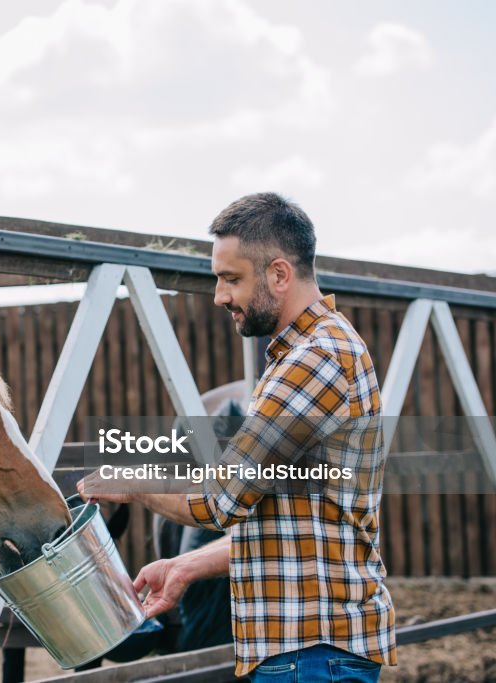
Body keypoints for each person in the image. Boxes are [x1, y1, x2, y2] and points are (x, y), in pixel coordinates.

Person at [80, 193, 395, 682]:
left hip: (309, 656)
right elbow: (293, 524)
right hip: (308, 652)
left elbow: (220, 500)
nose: (219, 296)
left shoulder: (315, 360)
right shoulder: (307, 356)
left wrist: (134, 481)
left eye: (231, 279)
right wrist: (187, 565)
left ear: (278, 274)